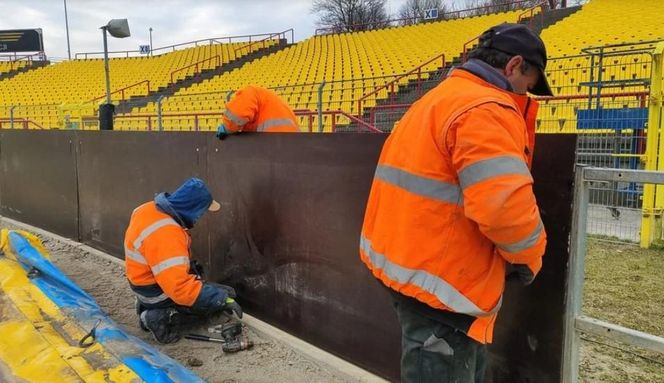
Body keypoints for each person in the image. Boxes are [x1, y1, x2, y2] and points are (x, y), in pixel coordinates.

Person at [359, 23, 552, 382]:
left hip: (413, 271)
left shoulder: (437, 98)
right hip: (444, 289)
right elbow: (503, 208)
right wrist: (530, 258)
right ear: (514, 66)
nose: (527, 94)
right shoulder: (485, 108)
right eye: (530, 83)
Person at [124, 177, 242, 344]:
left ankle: (149, 306)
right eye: (202, 212)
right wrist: (221, 299)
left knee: (205, 285)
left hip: (143, 281)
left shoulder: (147, 209)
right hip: (156, 291)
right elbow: (179, 289)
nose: (200, 217)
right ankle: (156, 316)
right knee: (221, 296)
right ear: (193, 209)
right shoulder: (168, 234)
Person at [216, 85, 300, 138]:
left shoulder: (250, 91)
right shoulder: (268, 101)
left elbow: (237, 114)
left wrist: (227, 127)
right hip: (291, 143)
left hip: (274, 142)